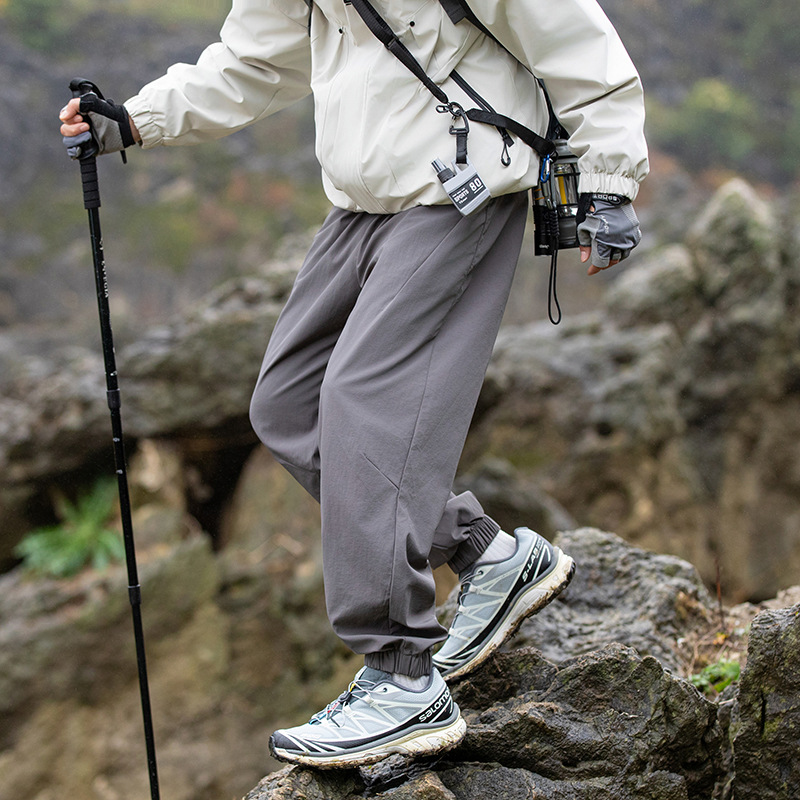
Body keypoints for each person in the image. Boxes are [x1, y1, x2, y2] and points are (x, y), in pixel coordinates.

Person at [60, 0, 647, 770]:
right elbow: (251, 64)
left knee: (363, 404)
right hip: (362, 203)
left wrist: (609, 184)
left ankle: (403, 681)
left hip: (460, 192)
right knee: (288, 403)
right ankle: (486, 554)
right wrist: (134, 120)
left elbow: (583, 51)